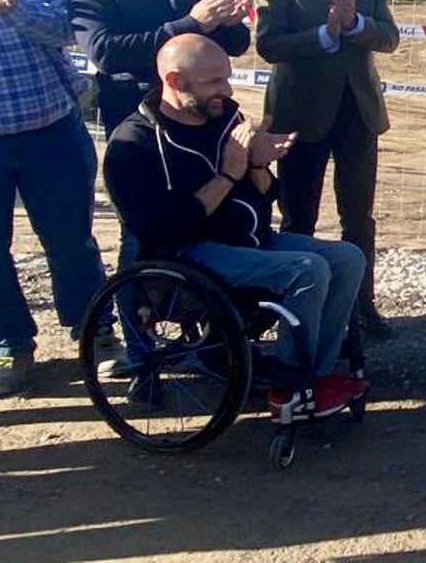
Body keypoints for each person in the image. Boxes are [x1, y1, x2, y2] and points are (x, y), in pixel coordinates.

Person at [102, 34, 366, 414]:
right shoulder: (136, 143)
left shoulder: (225, 116)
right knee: (308, 269)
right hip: (190, 256)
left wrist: (258, 165)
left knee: (348, 257)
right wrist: (228, 174)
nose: (226, 90)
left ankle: (316, 375)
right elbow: (160, 229)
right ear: (175, 81)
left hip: (252, 240)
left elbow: (263, 195)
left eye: (227, 78)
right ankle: (289, 382)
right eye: (214, 82)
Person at [69, 0, 252, 273]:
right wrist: (191, 23)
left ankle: (209, 325)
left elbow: (234, 46)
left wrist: (231, 22)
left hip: (203, 123)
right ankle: (140, 328)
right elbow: (105, 52)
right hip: (142, 129)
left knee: (208, 218)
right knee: (143, 232)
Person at [254, 0, 399, 341]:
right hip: (301, 116)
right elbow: (268, 44)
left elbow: (389, 37)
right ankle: (298, 315)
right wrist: (322, 36)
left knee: (359, 217)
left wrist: (356, 24)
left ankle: (362, 308)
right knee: (299, 218)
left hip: (358, 113)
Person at [0, 0, 109, 396]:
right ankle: (11, 342)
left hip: (50, 128)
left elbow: (68, 28)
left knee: (71, 241)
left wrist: (16, 7)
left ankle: (94, 331)